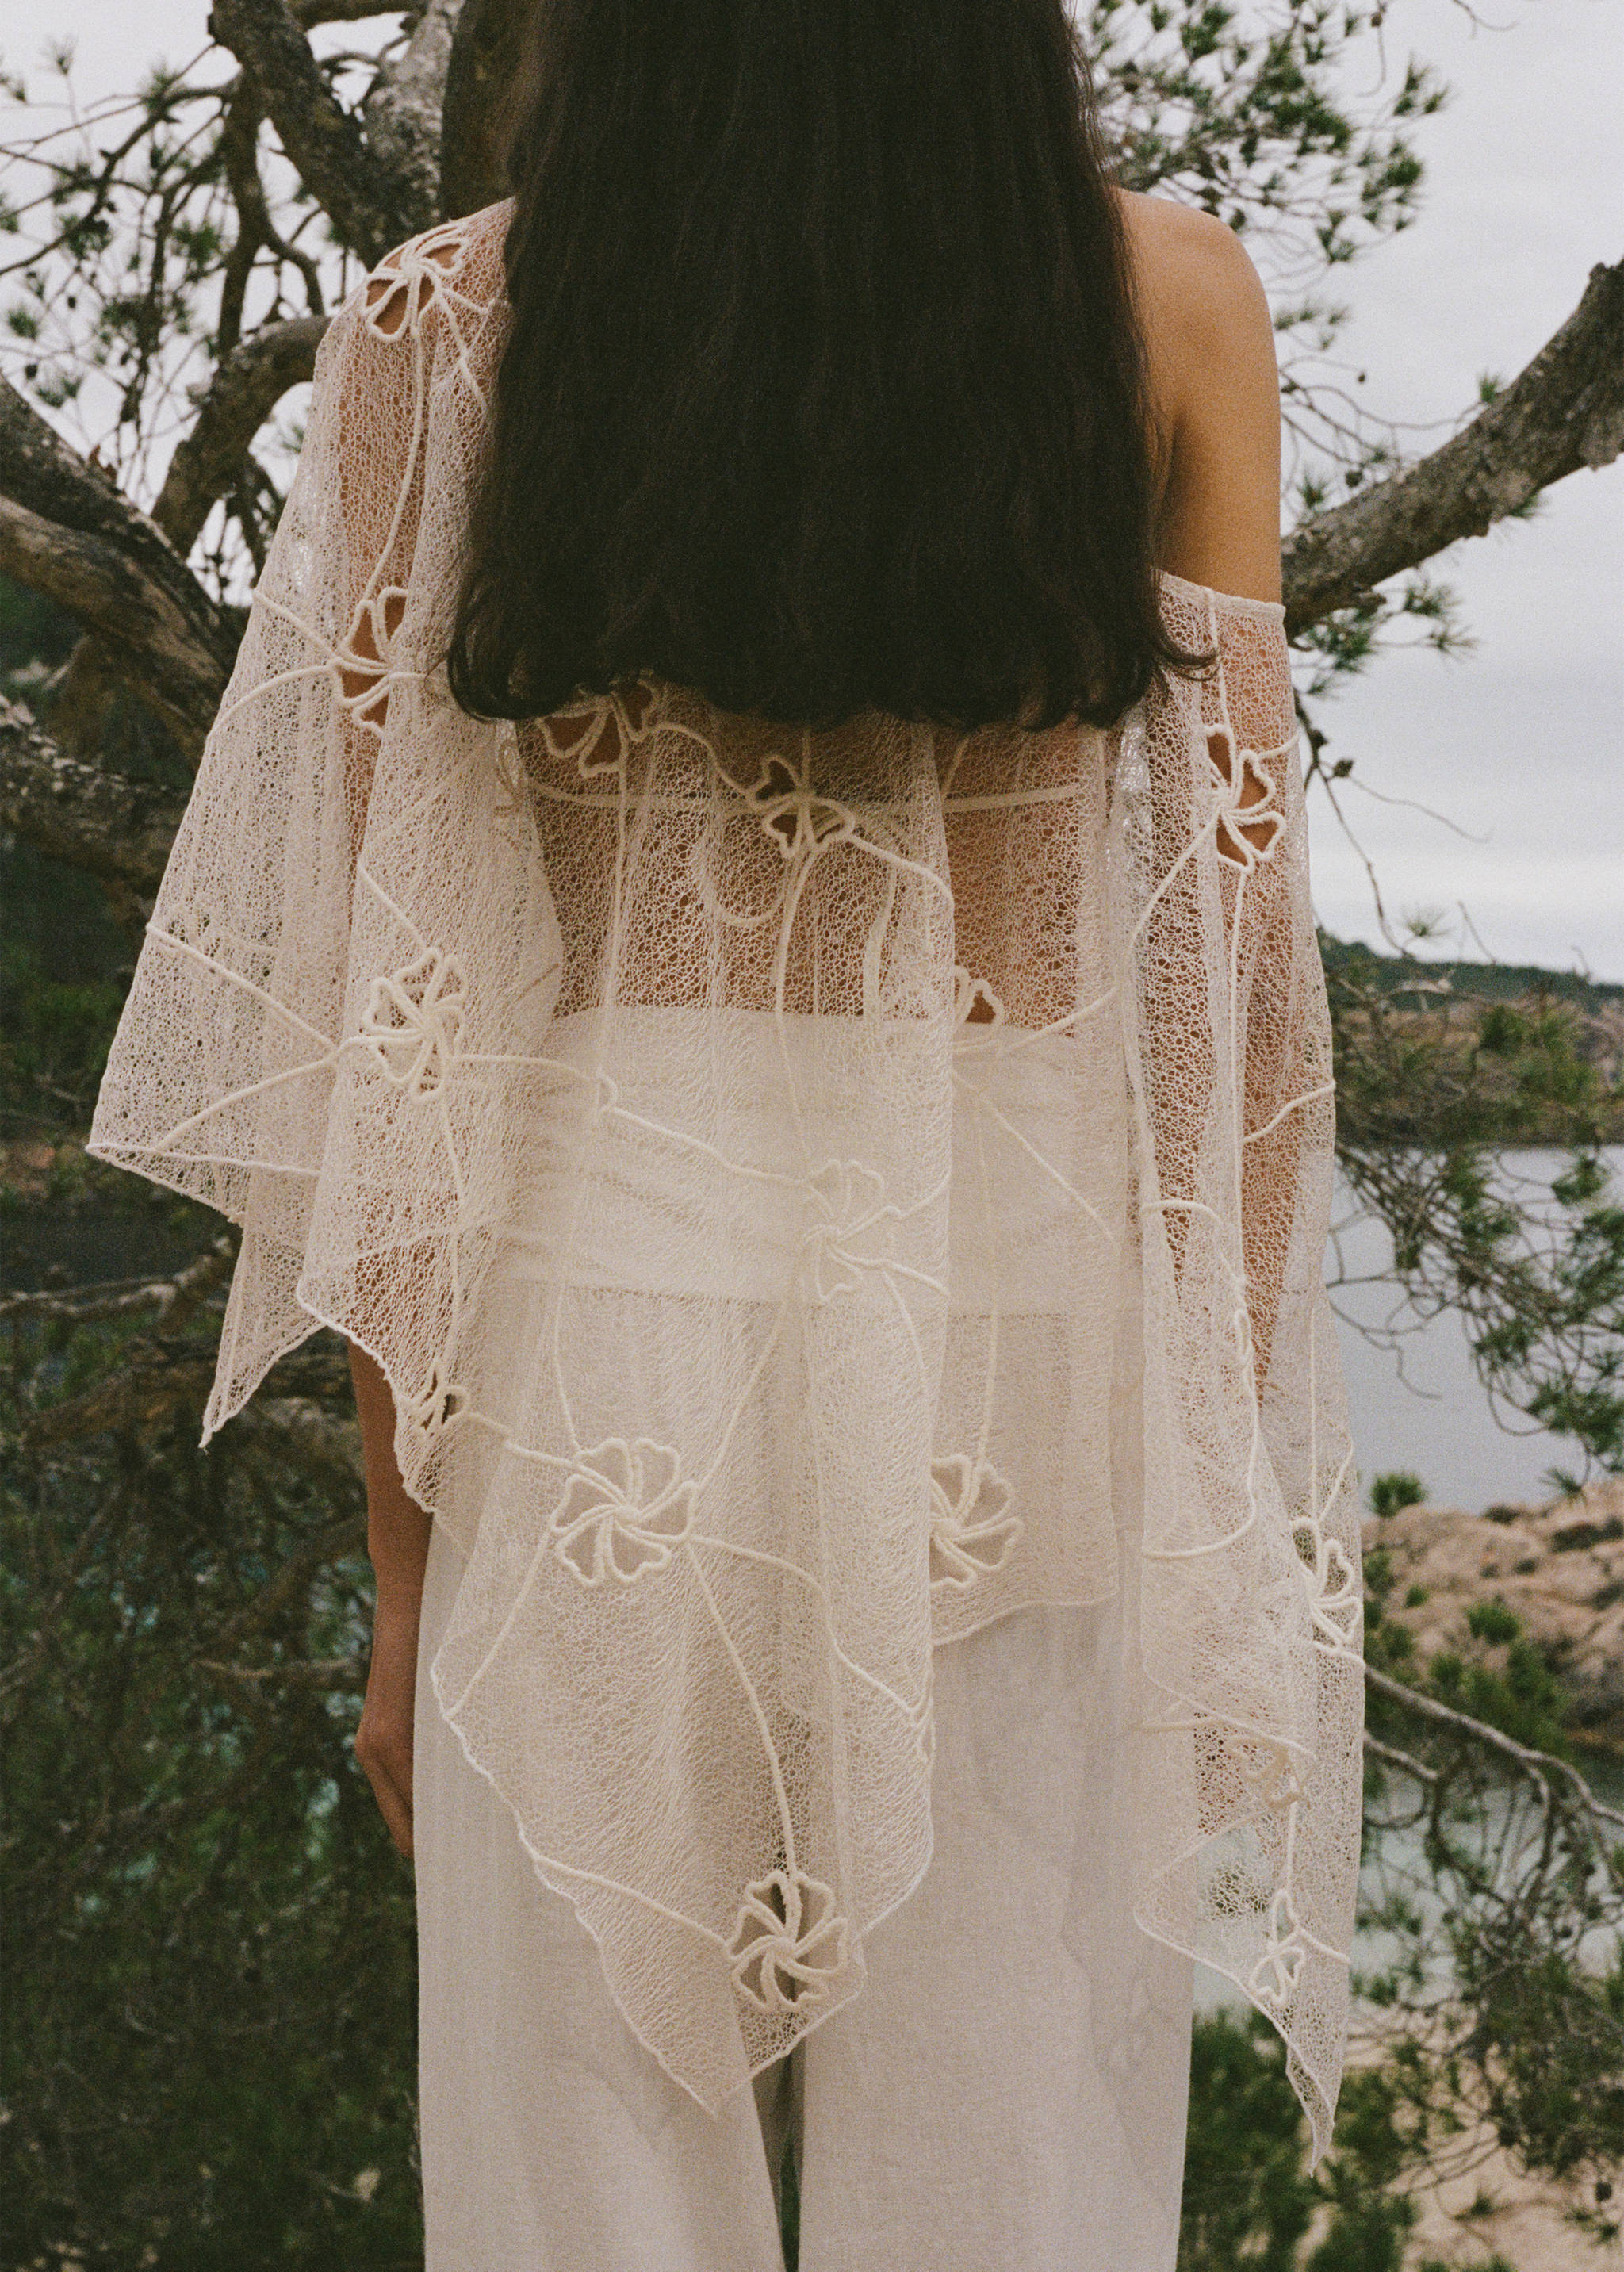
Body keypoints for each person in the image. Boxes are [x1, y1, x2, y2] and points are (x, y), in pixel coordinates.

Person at [90, 2, 1365, 2265]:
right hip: (1030, 1353)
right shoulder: (1172, 304)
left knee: (574, 2191)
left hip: (590, 1364)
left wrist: (401, 1591)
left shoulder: (439, 326)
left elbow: (414, 1044)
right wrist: (1227, 1527)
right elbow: (1228, 1005)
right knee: (1018, 2193)